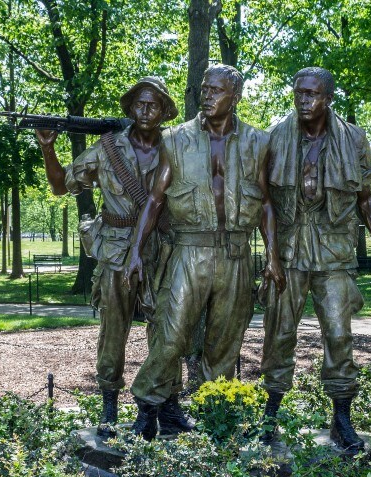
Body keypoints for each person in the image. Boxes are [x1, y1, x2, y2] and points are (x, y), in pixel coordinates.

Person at [124, 64, 286, 440]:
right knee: (170, 335)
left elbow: (264, 203)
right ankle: (148, 409)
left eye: (216, 90)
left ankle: (218, 418)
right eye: (204, 89)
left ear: (236, 96)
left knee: (226, 342)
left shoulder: (258, 142)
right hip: (188, 251)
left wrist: (273, 256)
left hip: (235, 254)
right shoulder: (175, 139)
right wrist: (135, 250)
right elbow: (155, 199)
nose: (207, 95)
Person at [35, 77, 191, 438]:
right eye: (139, 103)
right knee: (113, 330)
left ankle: (167, 406)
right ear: (130, 108)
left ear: (166, 110)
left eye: (154, 104)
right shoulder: (106, 149)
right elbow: (60, 186)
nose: (146, 110)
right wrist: (48, 148)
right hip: (117, 252)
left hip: (163, 248)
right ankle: (109, 407)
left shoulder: (180, 147)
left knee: (168, 330)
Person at [259, 67, 371, 453]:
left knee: (339, 335)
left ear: (328, 98)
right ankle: (270, 413)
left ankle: (341, 417)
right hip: (288, 251)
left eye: (312, 95)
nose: (303, 101)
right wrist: (271, 255)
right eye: (298, 93)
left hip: (334, 252)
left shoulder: (353, 139)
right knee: (279, 331)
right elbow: (264, 201)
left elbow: (365, 198)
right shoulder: (274, 136)